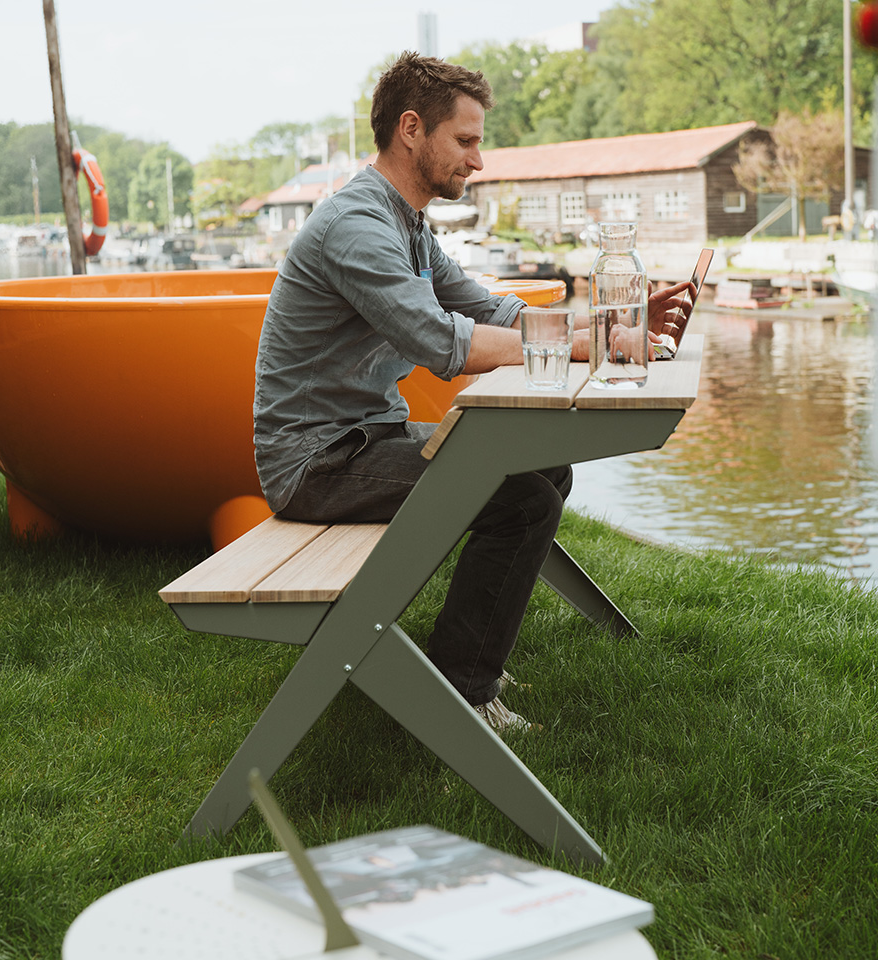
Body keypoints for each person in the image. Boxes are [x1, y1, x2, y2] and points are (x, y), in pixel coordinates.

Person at [254, 51, 691, 734]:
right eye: (465, 141)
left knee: (539, 463)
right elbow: (443, 343)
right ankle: (462, 696)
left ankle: (470, 654)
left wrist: (610, 325)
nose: (477, 160)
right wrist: (597, 345)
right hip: (318, 461)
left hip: (368, 437)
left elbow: (492, 311)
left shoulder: (406, 223)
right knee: (520, 501)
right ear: (410, 130)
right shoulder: (357, 227)